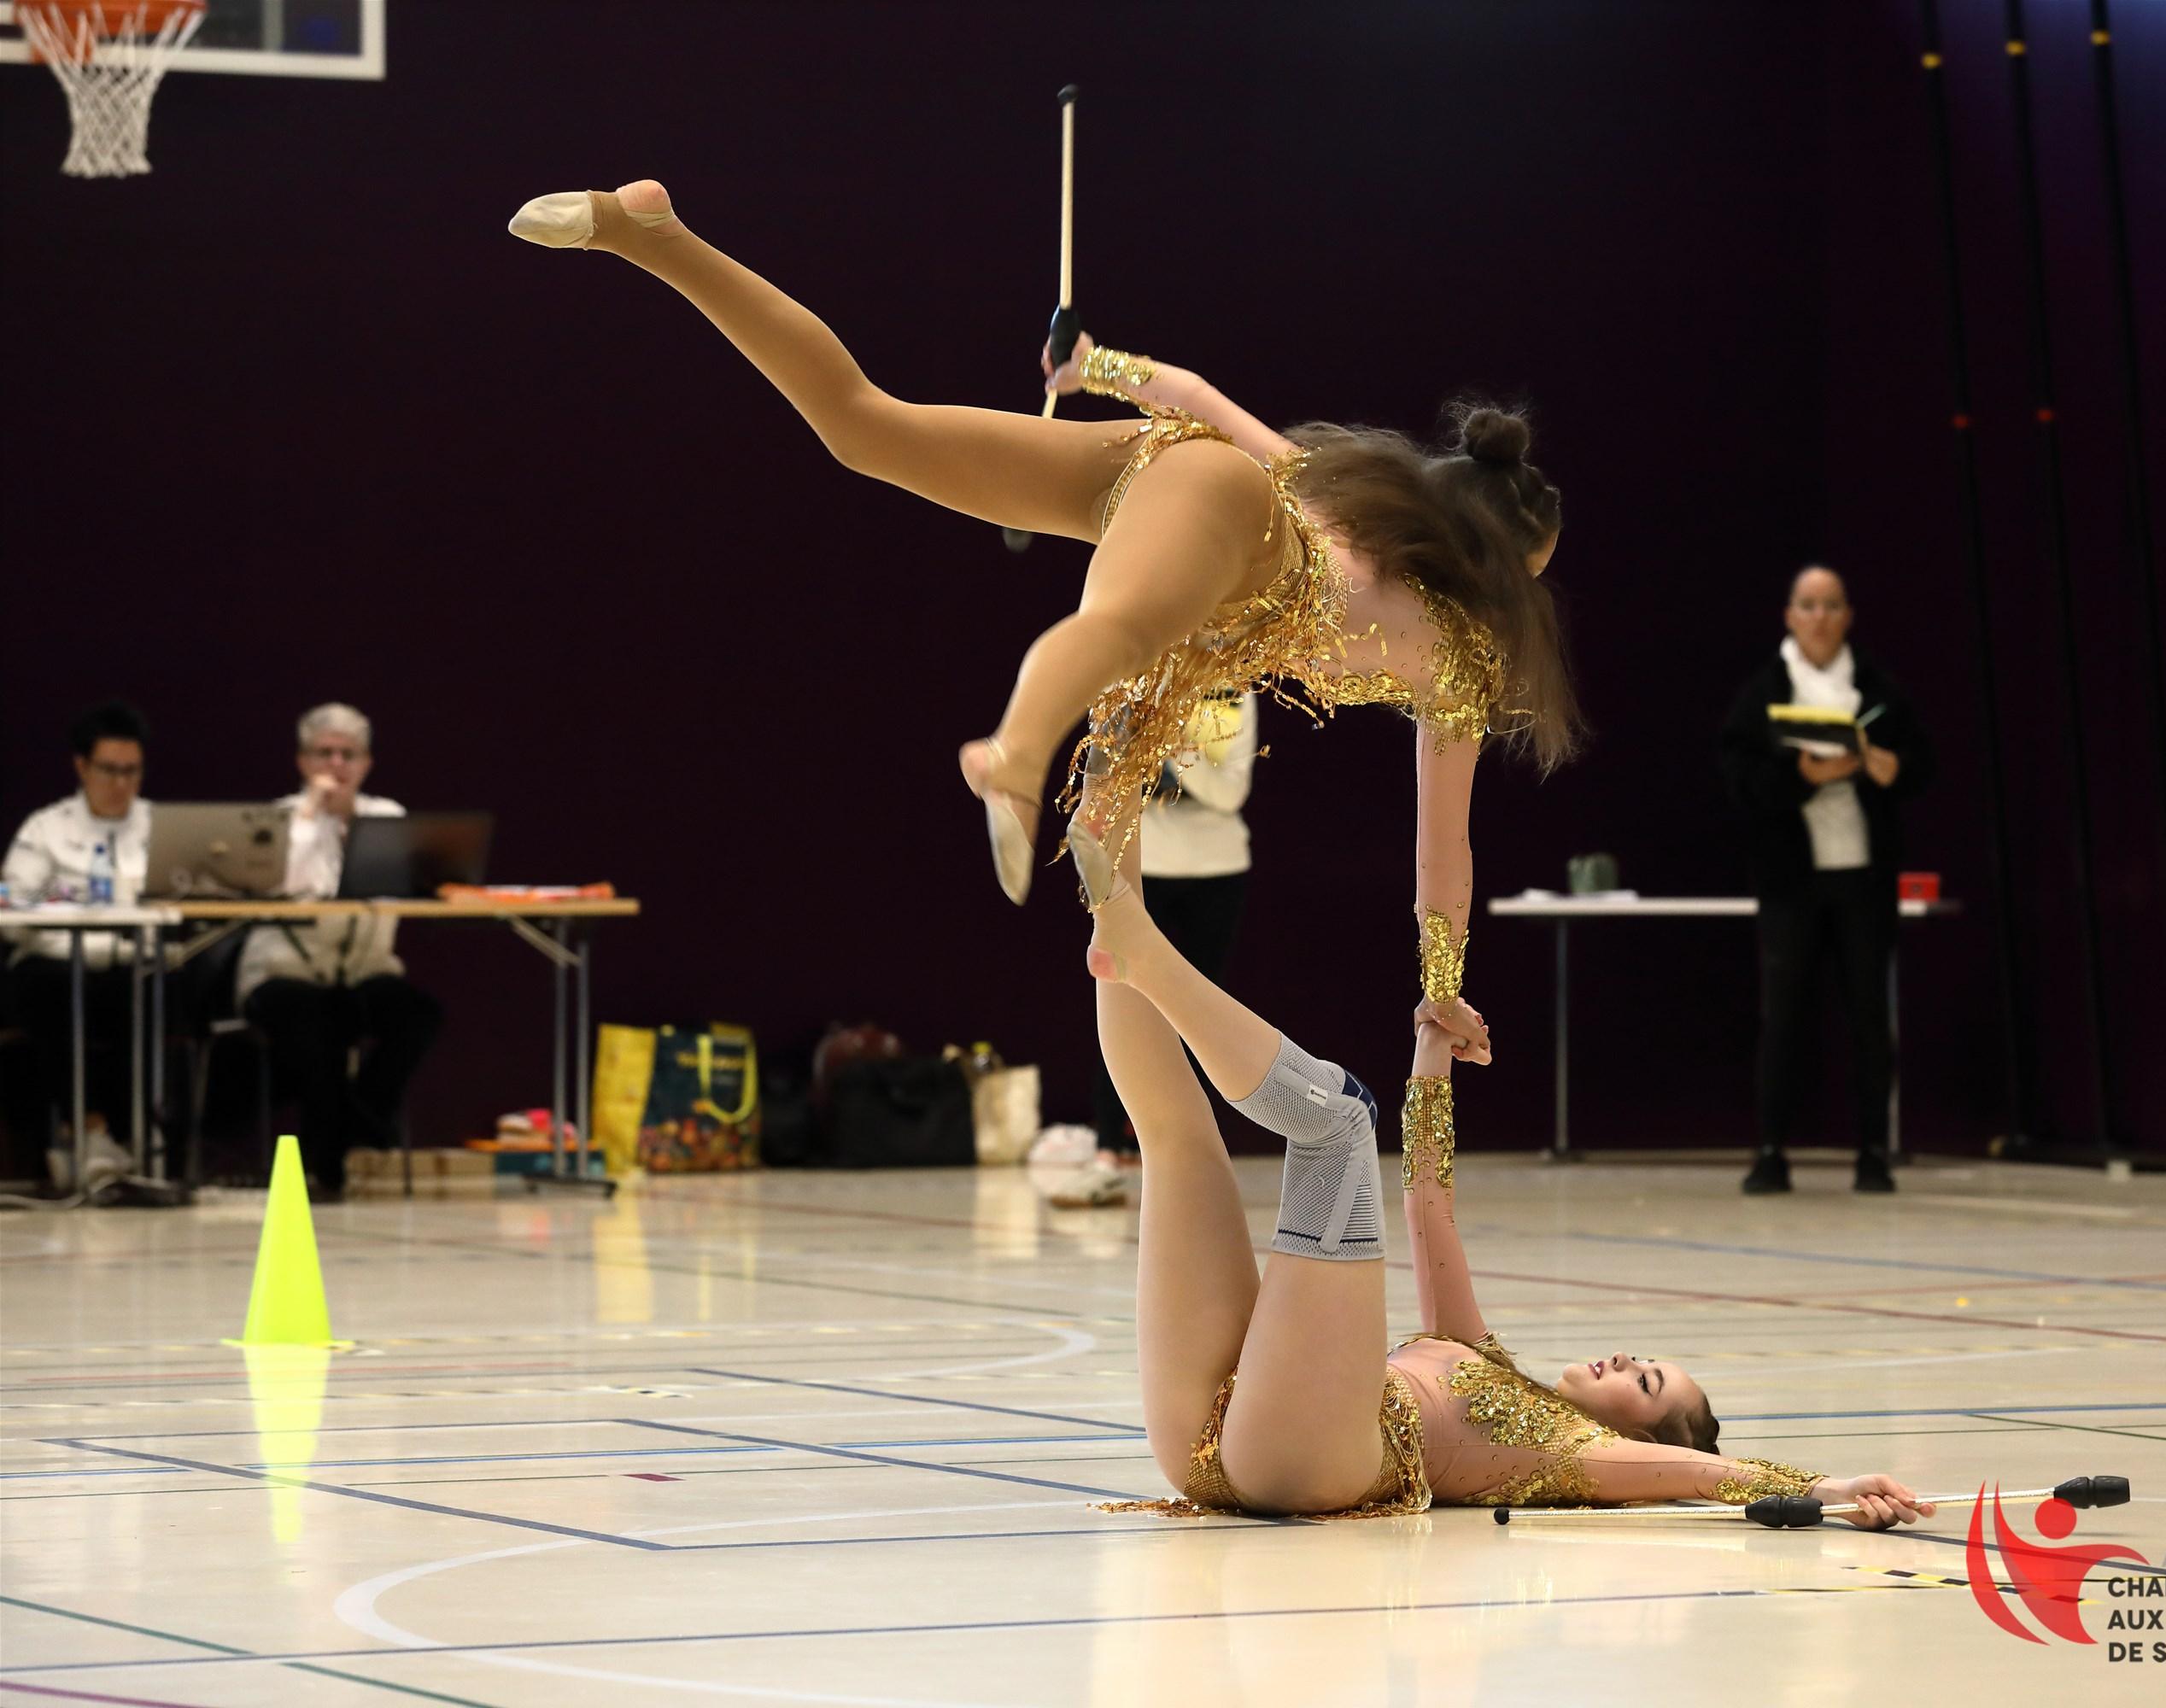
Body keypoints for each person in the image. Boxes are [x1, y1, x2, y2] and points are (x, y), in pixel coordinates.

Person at [507, 178, 1576, 1061]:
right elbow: (1444, 852)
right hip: (1220, 512)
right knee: (1122, 627)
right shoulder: (1455, 661)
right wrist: (1443, 984)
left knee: (865, 428)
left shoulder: (1339, 498)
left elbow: (1196, 400)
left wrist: (1090, 367)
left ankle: (652, 233)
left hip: (1158, 475)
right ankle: (1014, 756)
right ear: (1497, 570)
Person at [1080, 866, 1936, 1524]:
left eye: (1646, 1384)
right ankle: (1116, 858)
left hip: (1306, 1459)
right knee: (1179, 1139)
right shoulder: (1477, 1354)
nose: (1625, 1361)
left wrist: (1825, 1487)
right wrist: (1432, 1050)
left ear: (1633, 1434)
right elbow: (1427, 1202)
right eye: (1646, 1358)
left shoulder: (1579, 1449)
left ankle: (1149, 955)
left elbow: (1704, 1473)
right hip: (1214, 1437)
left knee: (1338, 1124)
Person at [1718, 567, 1934, 1196]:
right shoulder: (1765, 692)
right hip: (1792, 880)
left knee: (1869, 1013)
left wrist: (1888, 768)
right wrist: (1802, 777)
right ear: (1790, 616)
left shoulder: (1877, 687)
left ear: (1847, 616)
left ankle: (1873, 1151)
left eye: (1831, 605)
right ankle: (1770, 1151)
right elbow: (1739, 778)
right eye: (1808, 605)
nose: (1819, 617)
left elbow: (1921, 763)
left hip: (1864, 876)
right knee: (1784, 1015)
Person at [234, 704, 442, 1202]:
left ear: (366, 763)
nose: (336, 765)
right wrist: (312, 814)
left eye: (348, 754)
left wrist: (352, 825)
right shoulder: (279, 820)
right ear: (303, 761)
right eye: (324, 753)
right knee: (319, 1023)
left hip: (363, 969)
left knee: (417, 1015)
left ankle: (358, 1126)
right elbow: (288, 885)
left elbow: (404, 885)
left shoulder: (387, 818)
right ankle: (326, 1167)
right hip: (285, 972)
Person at [1087, 688, 1257, 1161]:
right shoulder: (1132, 684)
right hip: (1144, 866)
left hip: (1218, 868)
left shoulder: (1233, 693)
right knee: (1123, 998)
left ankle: (1191, 1143)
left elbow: (1230, 792)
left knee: (1201, 1010)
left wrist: (1173, 740)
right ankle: (1110, 1139)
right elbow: (1103, 781)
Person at [3, 701, 153, 1172]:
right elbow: (13, 901)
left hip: (132, 961)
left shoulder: (160, 826)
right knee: (50, 994)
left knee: (154, 994)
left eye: (131, 771)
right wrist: (63, 901)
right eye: (109, 770)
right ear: (82, 766)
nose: (121, 783)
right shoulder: (46, 828)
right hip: (55, 961)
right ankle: (89, 1132)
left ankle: (143, 1140)